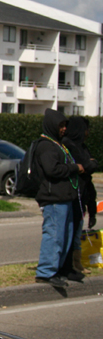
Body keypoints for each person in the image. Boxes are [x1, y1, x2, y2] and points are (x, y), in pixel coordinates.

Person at [34, 108, 84, 288]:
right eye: (61, 125)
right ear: (52, 126)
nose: (64, 129)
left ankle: (58, 269)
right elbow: (52, 170)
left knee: (66, 235)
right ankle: (46, 271)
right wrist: (74, 168)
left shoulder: (58, 144)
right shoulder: (46, 145)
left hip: (65, 197)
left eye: (65, 125)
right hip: (53, 198)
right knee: (54, 235)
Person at [59, 115, 97, 280]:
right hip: (74, 194)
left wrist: (90, 164)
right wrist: (89, 164)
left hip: (84, 193)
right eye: (86, 129)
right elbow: (85, 165)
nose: (87, 133)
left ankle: (76, 263)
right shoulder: (68, 144)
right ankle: (72, 264)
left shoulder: (81, 146)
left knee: (77, 229)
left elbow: (90, 167)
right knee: (72, 230)